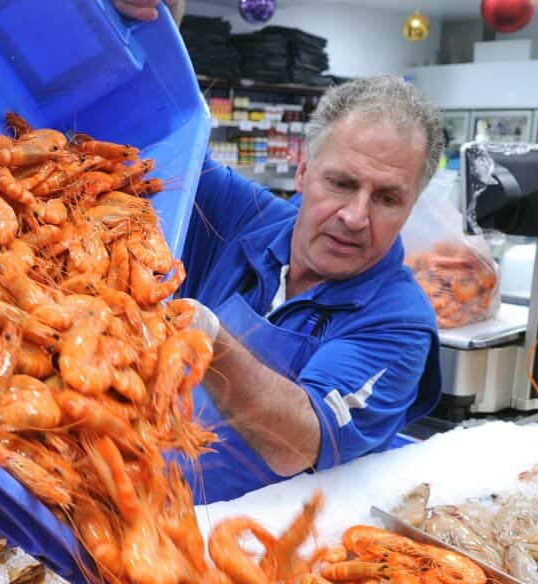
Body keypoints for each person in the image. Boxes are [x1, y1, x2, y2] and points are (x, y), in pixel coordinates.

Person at [122, 2, 443, 502]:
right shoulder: (244, 219)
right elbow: (158, 129)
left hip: (253, 551)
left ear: (411, 206)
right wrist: (151, 21)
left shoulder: (399, 321)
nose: (355, 217)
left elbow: (298, 441)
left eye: (386, 198)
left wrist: (210, 338)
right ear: (303, 172)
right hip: (131, 495)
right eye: (341, 183)